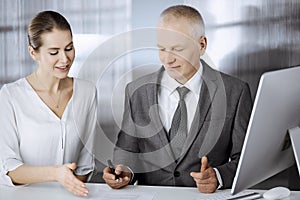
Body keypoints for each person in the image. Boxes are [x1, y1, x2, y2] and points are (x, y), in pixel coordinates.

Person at [102, 5, 252, 193]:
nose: (167, 59)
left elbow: (246, 160)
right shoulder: (136, 91)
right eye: (161, 49)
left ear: (202, 45)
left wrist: (219, 176)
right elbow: (127, 150)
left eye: (177, 49)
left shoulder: (235, 92)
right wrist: (124, 171)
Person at [0, 11, 97, 197]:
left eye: (69, 48)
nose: (65, 59)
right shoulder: (10, 96)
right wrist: (56, 173)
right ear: (33, 52)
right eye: (54, 52)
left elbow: (85, 164)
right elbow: (9, 168)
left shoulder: (87, 92)